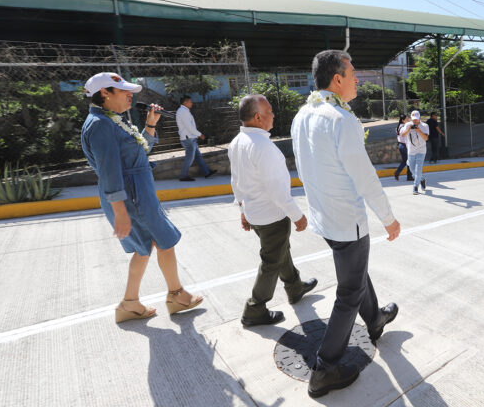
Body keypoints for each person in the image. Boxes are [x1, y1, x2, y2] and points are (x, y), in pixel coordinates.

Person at [291, 50, 401, 398]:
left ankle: (375, 320)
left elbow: (304, 167)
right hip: (347, 220)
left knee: (355, 273)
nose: (358, 80)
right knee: (349, 291)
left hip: (325, 216)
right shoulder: (341, 119)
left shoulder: (301, 114)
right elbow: (364, 175)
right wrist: (389, 217)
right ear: (337, 79)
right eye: (353, 74)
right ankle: (325, 367)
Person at [80, 72, 203, 323]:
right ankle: (176, 294)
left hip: (136, 192)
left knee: (144, 249)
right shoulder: (101, 126)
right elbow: (109, 172)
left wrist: (150, 124)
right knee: (165, 240)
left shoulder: (111, 120)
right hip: (131, 197)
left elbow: (139, 152)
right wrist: (120, 212)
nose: (130, 96)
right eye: (124, 91)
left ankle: (130, 303)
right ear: (105, 93)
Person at [228, 94, 317, 326]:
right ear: (258, 117)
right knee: (271, 260)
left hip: (255, 214)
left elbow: (236, 182)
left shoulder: (237, 141)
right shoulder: (264, 147)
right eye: (269, 112)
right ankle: (254, 309)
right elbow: (278, 191)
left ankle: (295, 287)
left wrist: (242, 210)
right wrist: (298, 216)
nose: (273, 115)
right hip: (271, 216)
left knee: (279, 251)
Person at [176, 95, 216, 181]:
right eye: (190, 101)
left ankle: (206, 172)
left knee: (198, 156)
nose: (192, 103)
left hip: (190, 137)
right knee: (189, 158)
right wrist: (199, 134)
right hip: (188, 138)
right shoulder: (183, 111)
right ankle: (183, 176)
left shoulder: (184, 111)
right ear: (185, 102)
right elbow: (189, 126)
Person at [401, 110, 429, 194]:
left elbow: (426, 138)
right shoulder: (407, 125)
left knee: (417, 170)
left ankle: (415, 187)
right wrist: (409, 129)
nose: (415, 121)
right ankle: (422, 179)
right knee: (412, 170)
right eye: (413, 119)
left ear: (419, 117)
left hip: (421, 150)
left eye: (416, 119)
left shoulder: (425, 125)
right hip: (411, 150)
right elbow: (403, 135)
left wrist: (418, 130)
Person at [393, 115, 414, 181]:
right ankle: (404, 174)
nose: (408, 120)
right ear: (403, 120)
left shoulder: (399, 126)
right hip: (404, 145)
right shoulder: (403, 127)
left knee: (406, 161)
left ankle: (407, 175)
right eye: (407, 119)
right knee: (408, 161)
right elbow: (403, 134)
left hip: (401, 145)